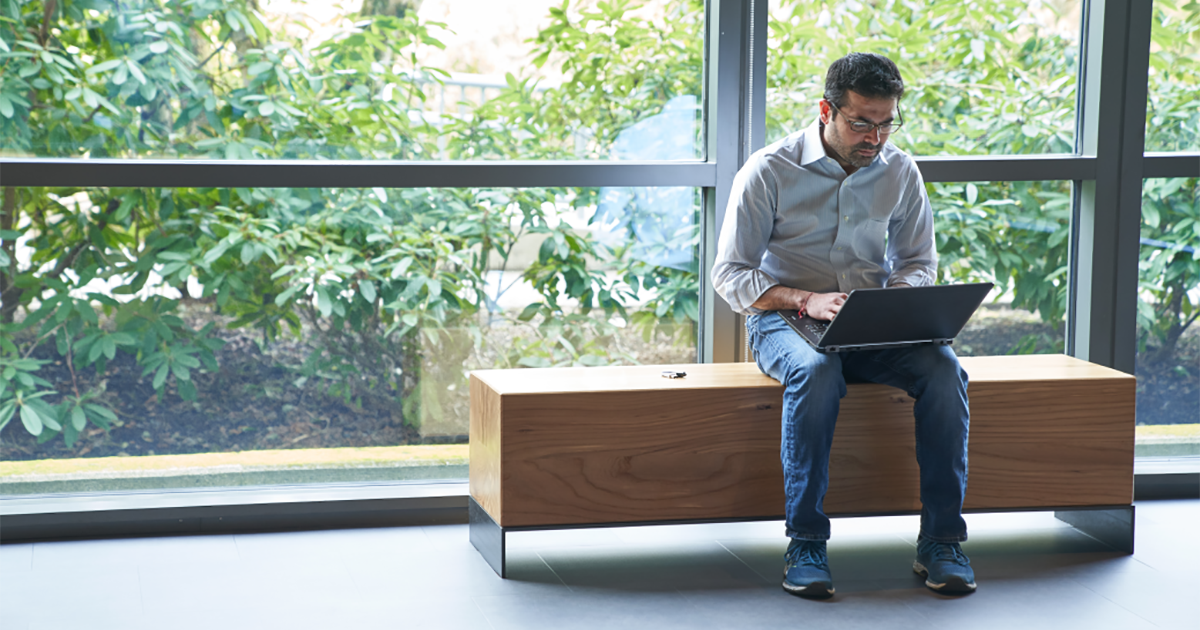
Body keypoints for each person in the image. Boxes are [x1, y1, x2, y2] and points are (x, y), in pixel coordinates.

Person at [711, 52, 975, 599]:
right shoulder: (769, 169)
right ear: (828, 110)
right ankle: (805, 541)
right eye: (861, 122)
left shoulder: (900, 170)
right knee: (817, 369)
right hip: (785, 321)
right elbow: (731, 275)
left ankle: (942, 541)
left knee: (946, 370)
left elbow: (918, 262)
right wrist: (807, 299)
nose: (875, 138)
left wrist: (899, 304)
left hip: (875, 323)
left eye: (885, 123)